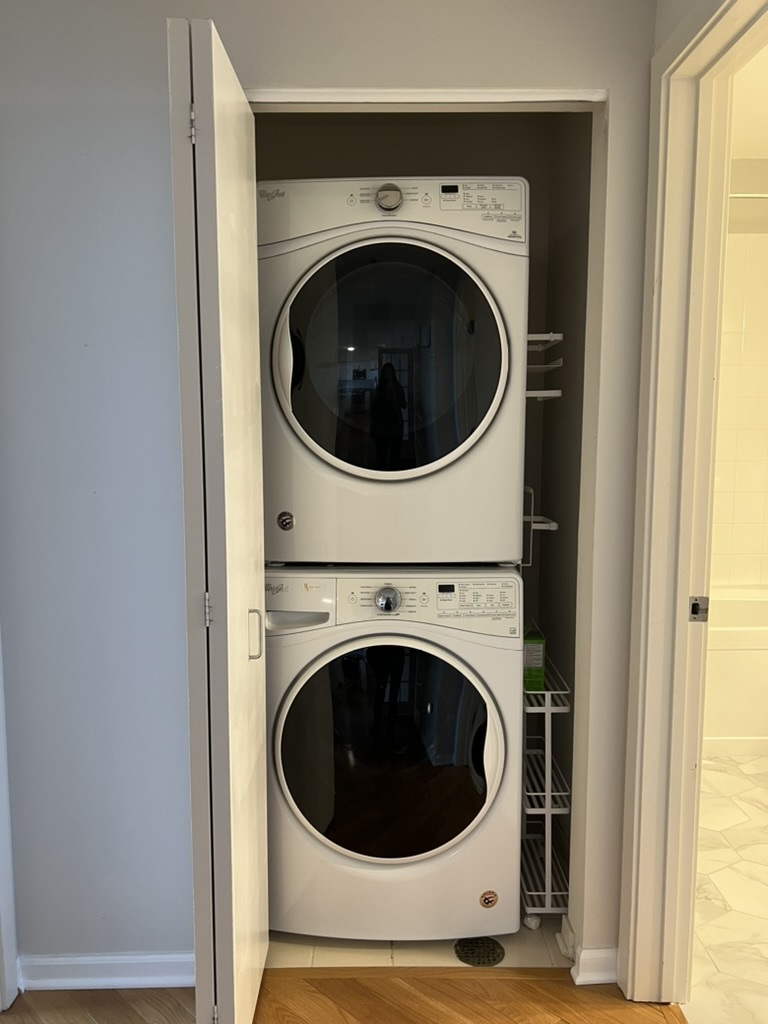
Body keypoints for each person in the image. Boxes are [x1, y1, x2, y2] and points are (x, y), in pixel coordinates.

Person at [370, 362, 406, 470]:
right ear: (383, 374)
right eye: (386, 372)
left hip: (396, 425)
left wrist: (394, 392)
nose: (388, 375)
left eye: (390, 372)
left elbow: (404, 405)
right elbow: (375, 408)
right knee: (381, 455)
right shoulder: (379, 389)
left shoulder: (398, 388)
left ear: (393, 374)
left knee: (395, 455)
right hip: (382, 426)